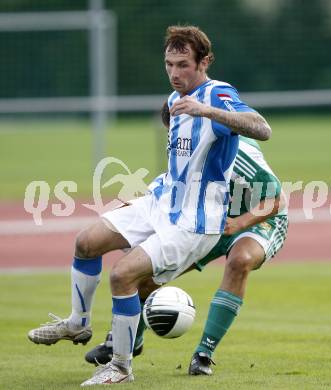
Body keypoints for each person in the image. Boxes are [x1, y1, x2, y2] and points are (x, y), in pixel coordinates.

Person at [28, 25, 271, 386]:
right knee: (86, 242)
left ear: (204, 61)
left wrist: (209, 111)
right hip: (162, 203)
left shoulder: (217, 95)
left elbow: (262, 127)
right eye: (169, 64)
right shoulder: (174, 101)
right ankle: (78, 322)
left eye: (183, 64)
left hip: (194, 222)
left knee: (123, 275)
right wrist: (152, 191)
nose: (175, 73)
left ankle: (121, 367)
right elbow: (182, 164)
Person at [85, 102, 288, 376]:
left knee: (240, 260)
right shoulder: (182, 153)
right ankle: (130, 342)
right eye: (172, 133)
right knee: (146, 275)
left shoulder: (234, 153)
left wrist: (238, 223)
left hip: (259, 217)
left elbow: (277, 199)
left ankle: (204, 353)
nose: (175, 140)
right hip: (209, 221)